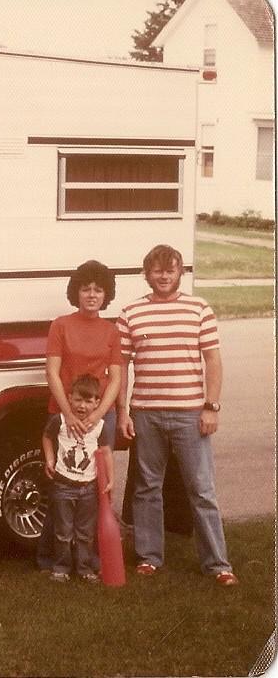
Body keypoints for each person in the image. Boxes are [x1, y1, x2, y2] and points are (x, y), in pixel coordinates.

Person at [116, 244, 237, 586]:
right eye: (157, 270)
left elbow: (213, 360)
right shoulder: (130, 313)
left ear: (180, 273)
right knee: (147, 488)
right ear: (147, 274)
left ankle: (218, 564)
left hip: (190, 414)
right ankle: (149, 557)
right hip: (146, 414)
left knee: (201, 489)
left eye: (170, 270)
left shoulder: (199, 309)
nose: (163, 276)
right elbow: (121, 367)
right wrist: (123, 412)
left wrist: (211, 406)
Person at [36, 260, 122, 570]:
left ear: (106, 295)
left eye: (99, 290)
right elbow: (52, 371)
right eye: (86, 289)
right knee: (62, 488)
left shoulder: (111, 331)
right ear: (76, 292)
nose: (92, 295)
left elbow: (115, 378)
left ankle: (92, 560)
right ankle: (51, 560)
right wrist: (68, 414)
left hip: (100, 418)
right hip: (65, 417)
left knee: (96, 490)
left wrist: (98, 413)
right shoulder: (60, 325)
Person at [42, 374, 115, 583]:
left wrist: (110, 479)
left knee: (85, 532)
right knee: (63, 531)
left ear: (97, 403)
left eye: (88, 401)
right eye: (78, 400)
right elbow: (47, 437)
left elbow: (106, 452)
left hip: (88, 488)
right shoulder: (61, 421)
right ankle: (61, 568)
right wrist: (49, 459)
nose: (82, 406)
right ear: (69, 398)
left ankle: (84, 569)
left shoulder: (100, 426)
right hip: (63, 485)